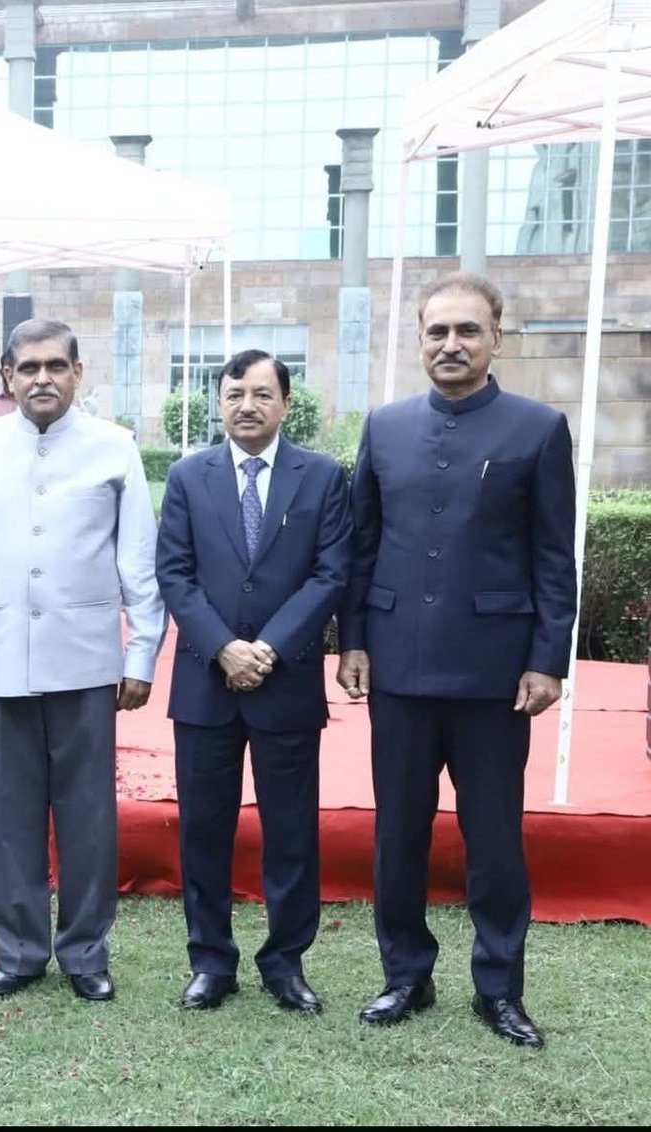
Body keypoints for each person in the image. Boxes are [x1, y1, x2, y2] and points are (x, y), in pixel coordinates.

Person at [339, 272, 577, 1049]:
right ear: (419, 339)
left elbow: (553, 557)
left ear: (496, 338)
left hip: (496, 677)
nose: (451, 344)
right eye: (437, 331)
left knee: (495, 839)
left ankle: (499, 989)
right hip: (398, 669)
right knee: (398, 835)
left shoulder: (538, 429)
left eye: (467, 330)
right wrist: (354, 640)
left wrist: (548, 659)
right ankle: (405, 975)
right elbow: (362, 545)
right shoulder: (385, 427)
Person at [0, 318, 166, 1003]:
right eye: (28, 367)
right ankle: (19, 951)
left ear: (78, 374)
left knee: (89, 816)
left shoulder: (114, 447)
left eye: (56, 366)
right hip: (1, 659)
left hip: (86, 660)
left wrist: (142, 652)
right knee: (9, 816)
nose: (42, 379)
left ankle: (86, 952)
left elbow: (138, 561)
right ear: (7, 375)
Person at [154, 349, 352, 1015]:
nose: (247, 405)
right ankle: (210, 962)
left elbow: (330, 573)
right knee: (203, 829)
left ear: (287, 404)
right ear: (219, 401)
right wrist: (223, 648)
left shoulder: (322, 477)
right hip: (205, 683)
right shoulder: (189, 476)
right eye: (235, 393)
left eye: (262, 394)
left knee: (291, 832)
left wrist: (267, 647)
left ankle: (285, 962)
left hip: (285, 680)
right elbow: (174, 572)